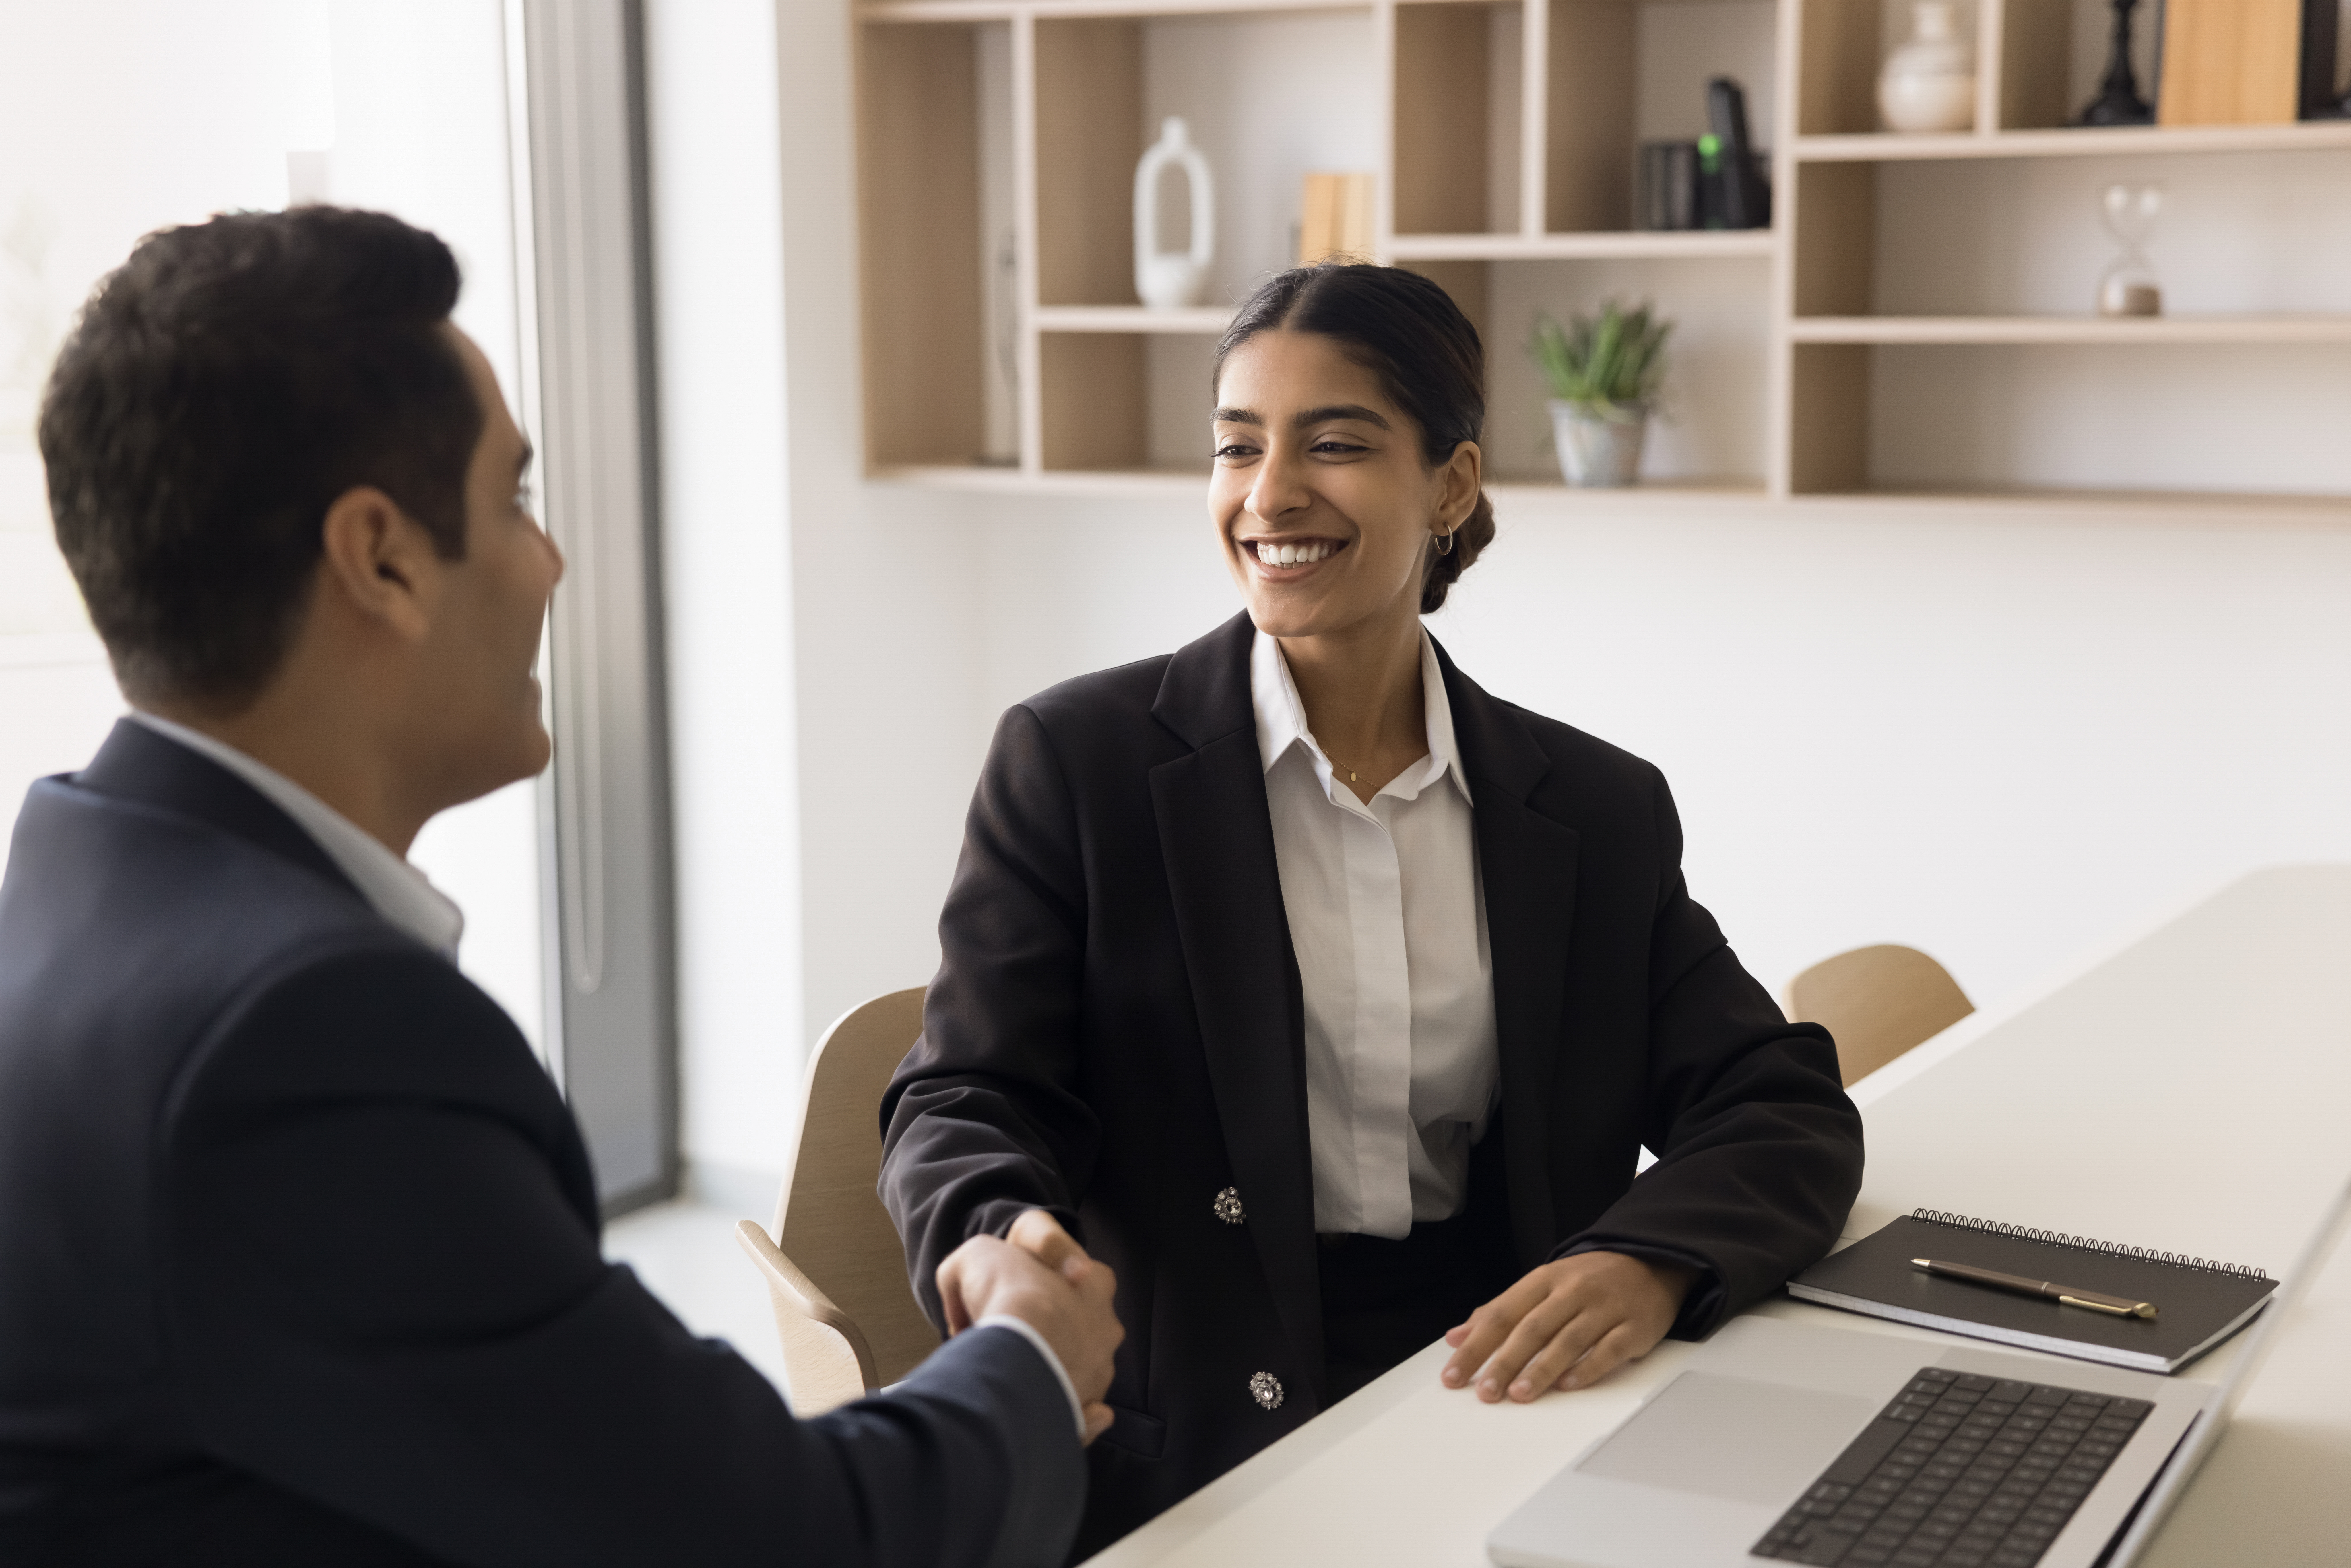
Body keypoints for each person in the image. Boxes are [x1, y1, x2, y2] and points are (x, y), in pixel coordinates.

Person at [0, 207, 1121, 1567]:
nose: (551, 562)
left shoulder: (76, 891)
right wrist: (1028, 1358)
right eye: (515, 501)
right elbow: (768, 1539)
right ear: (382, 557)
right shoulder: (305, 1038)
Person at [879, 262, 1866, 1557]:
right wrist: (997, 1236)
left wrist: (1651, 1260)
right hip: (1194, 1443)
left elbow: (1774, 1102)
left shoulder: (1592, 810)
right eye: (1238, 447)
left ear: (1449, 486)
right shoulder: (1078, 765)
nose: (1269, 495)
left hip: (1499, 1396)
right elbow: (961, 1097)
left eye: (1332, 444)